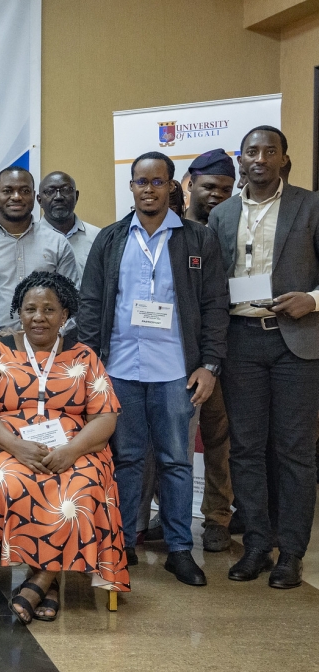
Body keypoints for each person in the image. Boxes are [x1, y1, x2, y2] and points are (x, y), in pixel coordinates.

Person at [77, 151, 227, 586]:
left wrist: (210, 365)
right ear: (131, 187)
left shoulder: (198, 239)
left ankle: (180, 550)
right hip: (120, 368)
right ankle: (121, 545)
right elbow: (91, 304)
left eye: (157, 182)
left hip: (176, 371)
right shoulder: (110, 239)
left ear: (171, 186)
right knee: (124, 459)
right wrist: (92, 366)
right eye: (141, 182)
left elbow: (216, 305)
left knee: (175, 461)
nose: (149, 189)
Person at [0, 271, 127, 623]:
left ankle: (41, 580)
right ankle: (46, 584)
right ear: (18, 312)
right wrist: (15, 446)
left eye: (49, 309)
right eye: (30, 308)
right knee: (10, 480)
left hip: (76, 448)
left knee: (81, 487)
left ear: (65, 315)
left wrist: (72, 451)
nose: (39, 317)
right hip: (5, 445)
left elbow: (106, 416)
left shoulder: (84, 358)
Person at [209, 126, 319, 589]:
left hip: (296, 341)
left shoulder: (310, 206)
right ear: (241, 159)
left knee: (294, 451)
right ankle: (256, 542)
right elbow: (214, 286)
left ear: (283, 159)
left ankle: (291, 553)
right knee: (248, 449)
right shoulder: (223, 214)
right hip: (241, 340)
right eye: (251, 151)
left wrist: (312, 300)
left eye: (269, 151)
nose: (260, 159)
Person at [184, 148, 238, 552]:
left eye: (225, 188)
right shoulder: (169, 228)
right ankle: (166, 516)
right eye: (209, 187)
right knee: (167, 443)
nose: (217, 195)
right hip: (175, 355)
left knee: (220, 439)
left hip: (227, 353)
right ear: (189, 184)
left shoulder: (234, 229)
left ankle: (218, 517)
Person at [0, 167, 77, 343]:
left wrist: (56, 333)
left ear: (34, 196)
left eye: (24, 191)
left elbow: (73, 301)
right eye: (8, 191)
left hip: (50, 348)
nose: (16, 197)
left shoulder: (58, 244)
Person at [37, 171, 99, 285]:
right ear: (39, 200)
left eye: (65, 190)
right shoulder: (29, 239)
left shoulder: (98, 237)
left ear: (77, 196)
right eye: (50, 192)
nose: (58, 197)